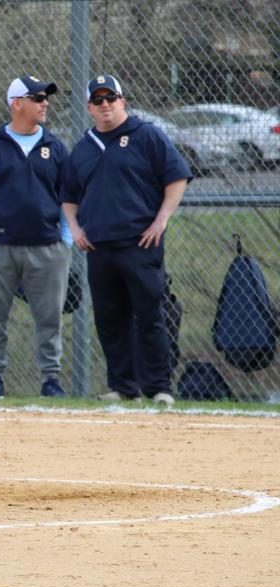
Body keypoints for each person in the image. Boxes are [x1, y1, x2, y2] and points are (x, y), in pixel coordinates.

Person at [61, 74, 191, 406]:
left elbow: (176, 179)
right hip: (99, 246)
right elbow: (69, 196)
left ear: (122, 101)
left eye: (111, 98)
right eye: (98, 100)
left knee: (149, 315)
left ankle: (159, 387)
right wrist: (74, 228)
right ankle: (123, 386)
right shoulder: (85, 147)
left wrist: (161, 220)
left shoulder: (146, 135)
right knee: (109, 318)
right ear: (90, 107)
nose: (106, 105)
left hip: (141, 243)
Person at [0, 75, 73, 399]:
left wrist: (65, 242)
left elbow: (67, 198)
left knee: (49, 319)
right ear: (17, 104)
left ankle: (51, 380)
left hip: (47, 249)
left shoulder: (55, 147)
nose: (44, 103)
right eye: (37, 98)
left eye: (45, 98)